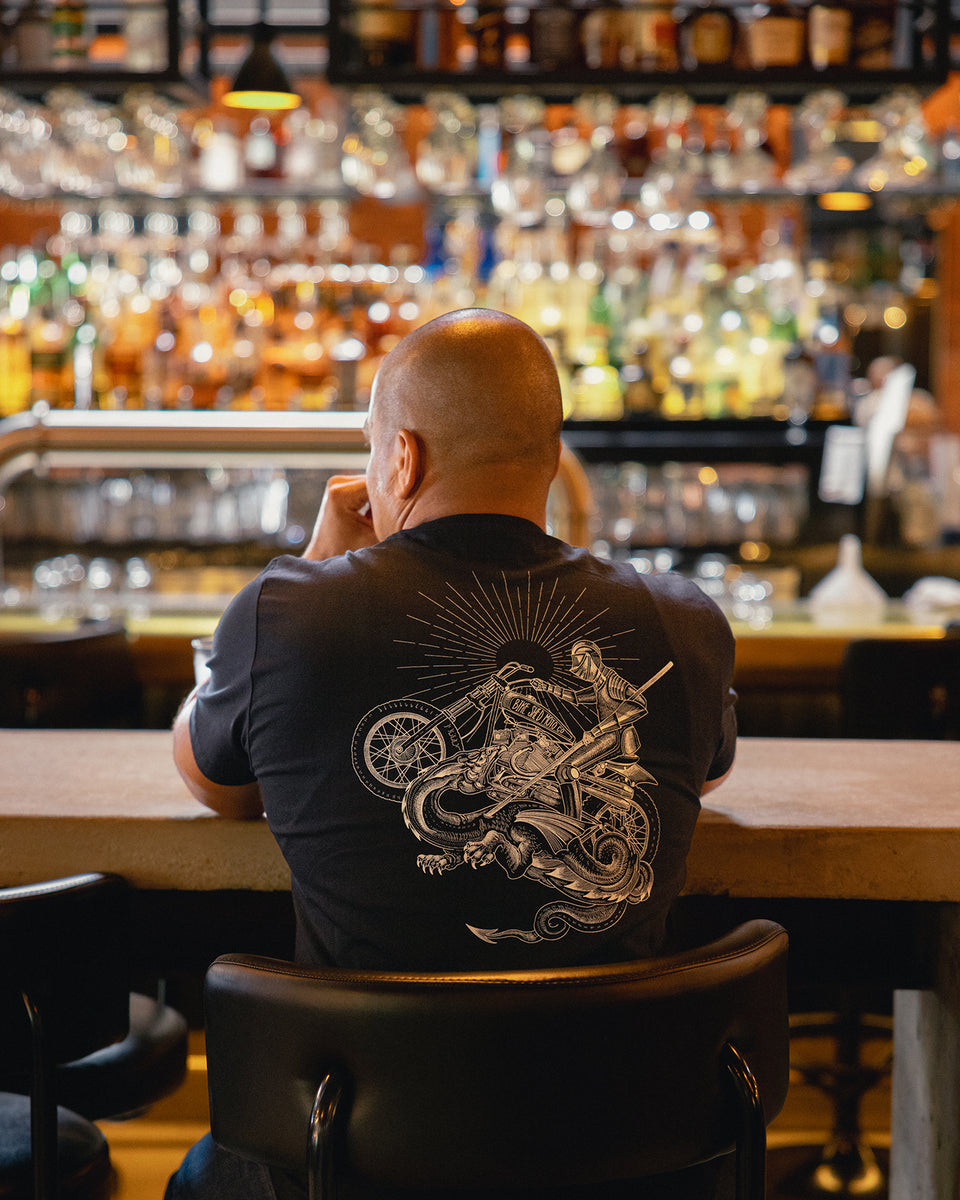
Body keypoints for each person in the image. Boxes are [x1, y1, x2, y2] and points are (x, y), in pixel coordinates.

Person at [167, 308, 738, 1200]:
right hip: (621, 1155)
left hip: (349, 1157)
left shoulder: (286, 615)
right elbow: (702, 769)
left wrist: (313, 570)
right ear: (552, 458)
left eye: (372, 450)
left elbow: (214, 781)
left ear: (400, 459)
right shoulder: (684, 621)